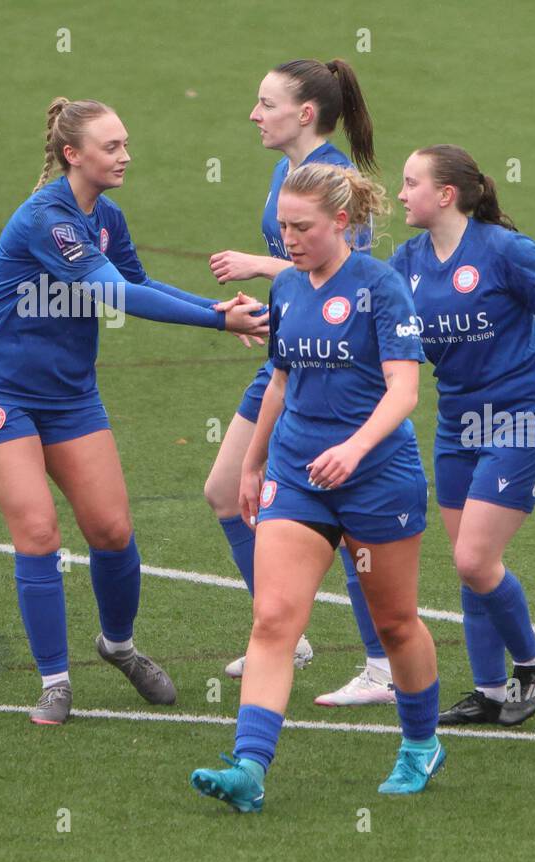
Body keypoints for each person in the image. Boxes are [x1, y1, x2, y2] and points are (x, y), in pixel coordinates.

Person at [0, 97, 268, 726]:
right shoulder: (50, 220)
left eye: (125, 143)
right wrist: (215, 319)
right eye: (112, 147)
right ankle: (54, 680)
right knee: (39, 531)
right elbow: (112, 293)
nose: (125, 155)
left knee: (112, 532)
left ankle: (118, 646)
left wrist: (218, 307)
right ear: (73, 155)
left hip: (69, 395)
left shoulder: (106, 217)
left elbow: (137, 281)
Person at [190, 162, 443, 808]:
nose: (290, 239)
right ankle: (249, 766)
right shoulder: (288, 289)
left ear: (342, 222)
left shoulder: (382, 289)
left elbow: (404, 391)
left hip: (376, 480)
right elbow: (281, 379)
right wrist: (252, 462)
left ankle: (420, 744)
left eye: (301, 227)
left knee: (395, 623)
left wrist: (355, 448)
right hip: (298, 477)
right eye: (282, 227)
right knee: (273, 618)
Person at [204, 58, 394, 707]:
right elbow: (307, 283)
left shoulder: (337, 183)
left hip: (337, 377)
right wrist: (271, 315)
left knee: (342, 520)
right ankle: (285, 631)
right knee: (226, 490)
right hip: (290, 361)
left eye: (266, 103)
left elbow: (359, 277)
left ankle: (382, 666)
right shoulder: (285, 172)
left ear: (305, 113)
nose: (254, 115)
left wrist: (261, 267)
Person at [389, 145, 535, 727]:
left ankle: (531, 664)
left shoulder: (505, 251)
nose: (401, 193)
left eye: (411, 183)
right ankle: (489, 692)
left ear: (446, 195)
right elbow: (352, 297)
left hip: (524, 417)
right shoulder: (406, 261)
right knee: (470, 564)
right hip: (458, 423)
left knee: (474, 558)